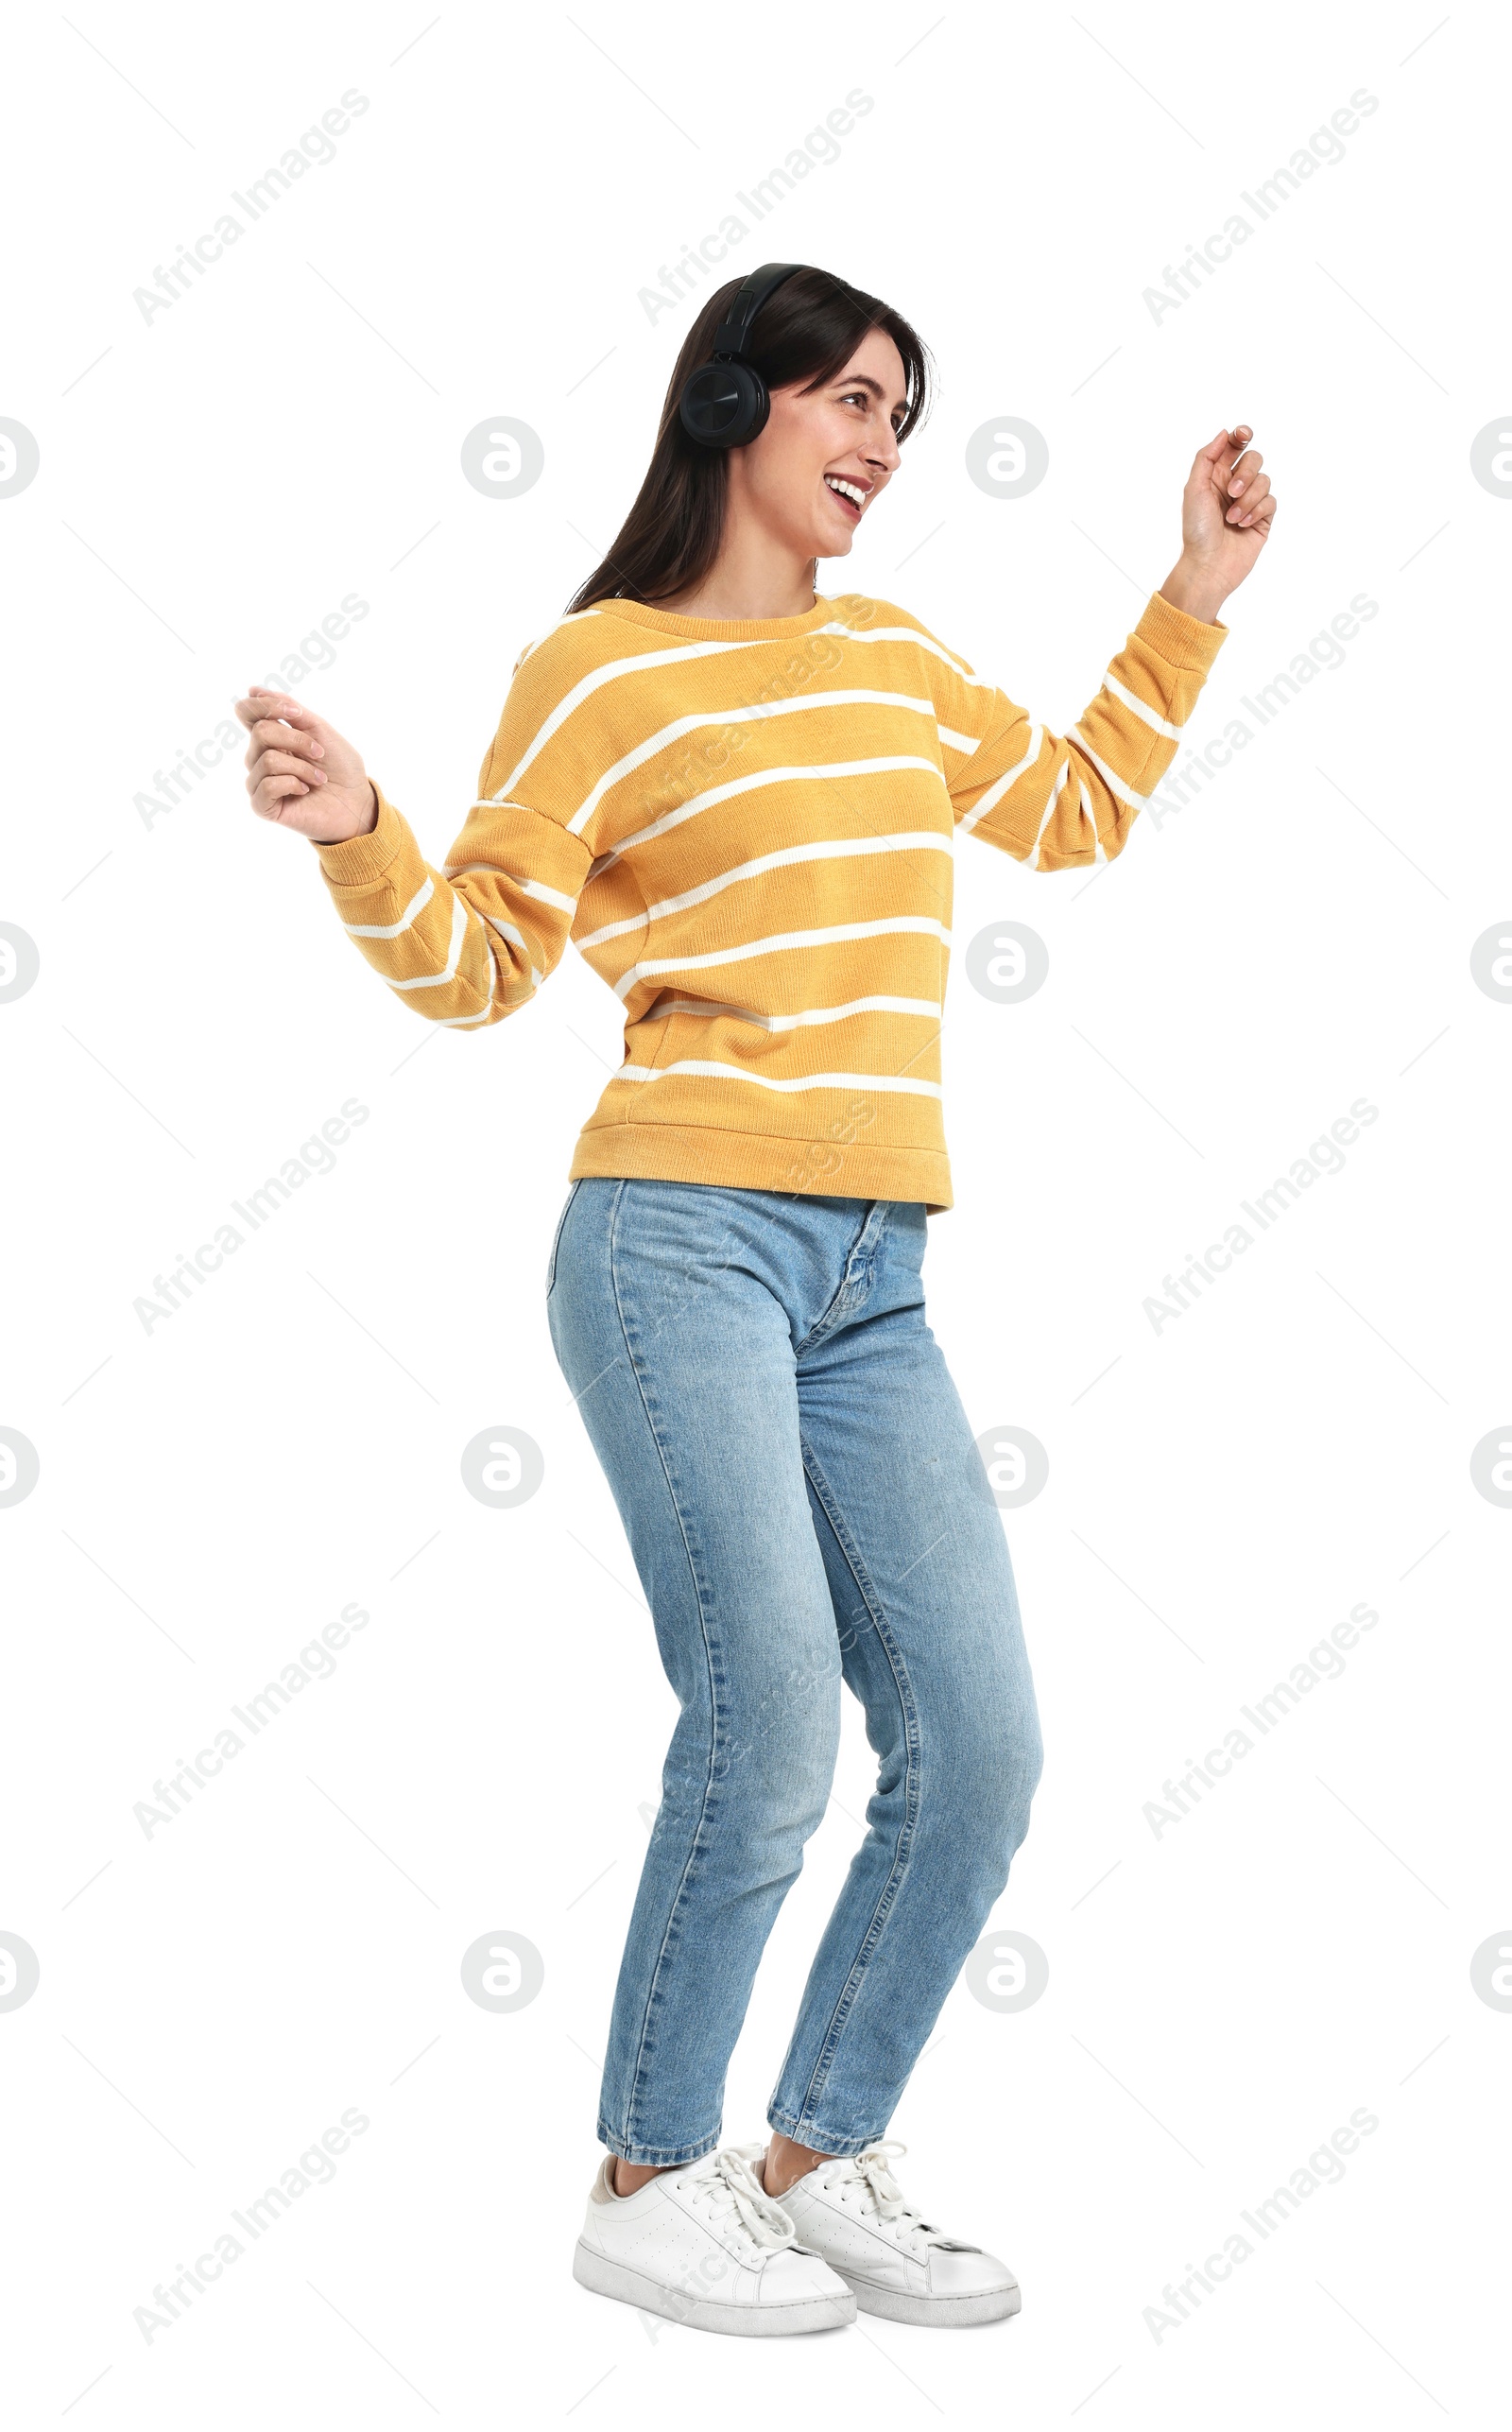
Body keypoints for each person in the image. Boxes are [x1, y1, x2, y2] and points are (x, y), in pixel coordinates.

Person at [236, 263, 1275, 2337]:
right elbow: (478, 967)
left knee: (978, 1743)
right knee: (769, 1715)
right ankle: (645, 2172)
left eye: (903, 411)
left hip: (875, 1272)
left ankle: (806, 2158)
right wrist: (367, 840)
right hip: (673, 1239)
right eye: (855, 400)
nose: (885, 443)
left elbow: (1069, 807)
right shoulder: (597, 675)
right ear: (736, 398)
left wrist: (1191, 594)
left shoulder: (889, 658)